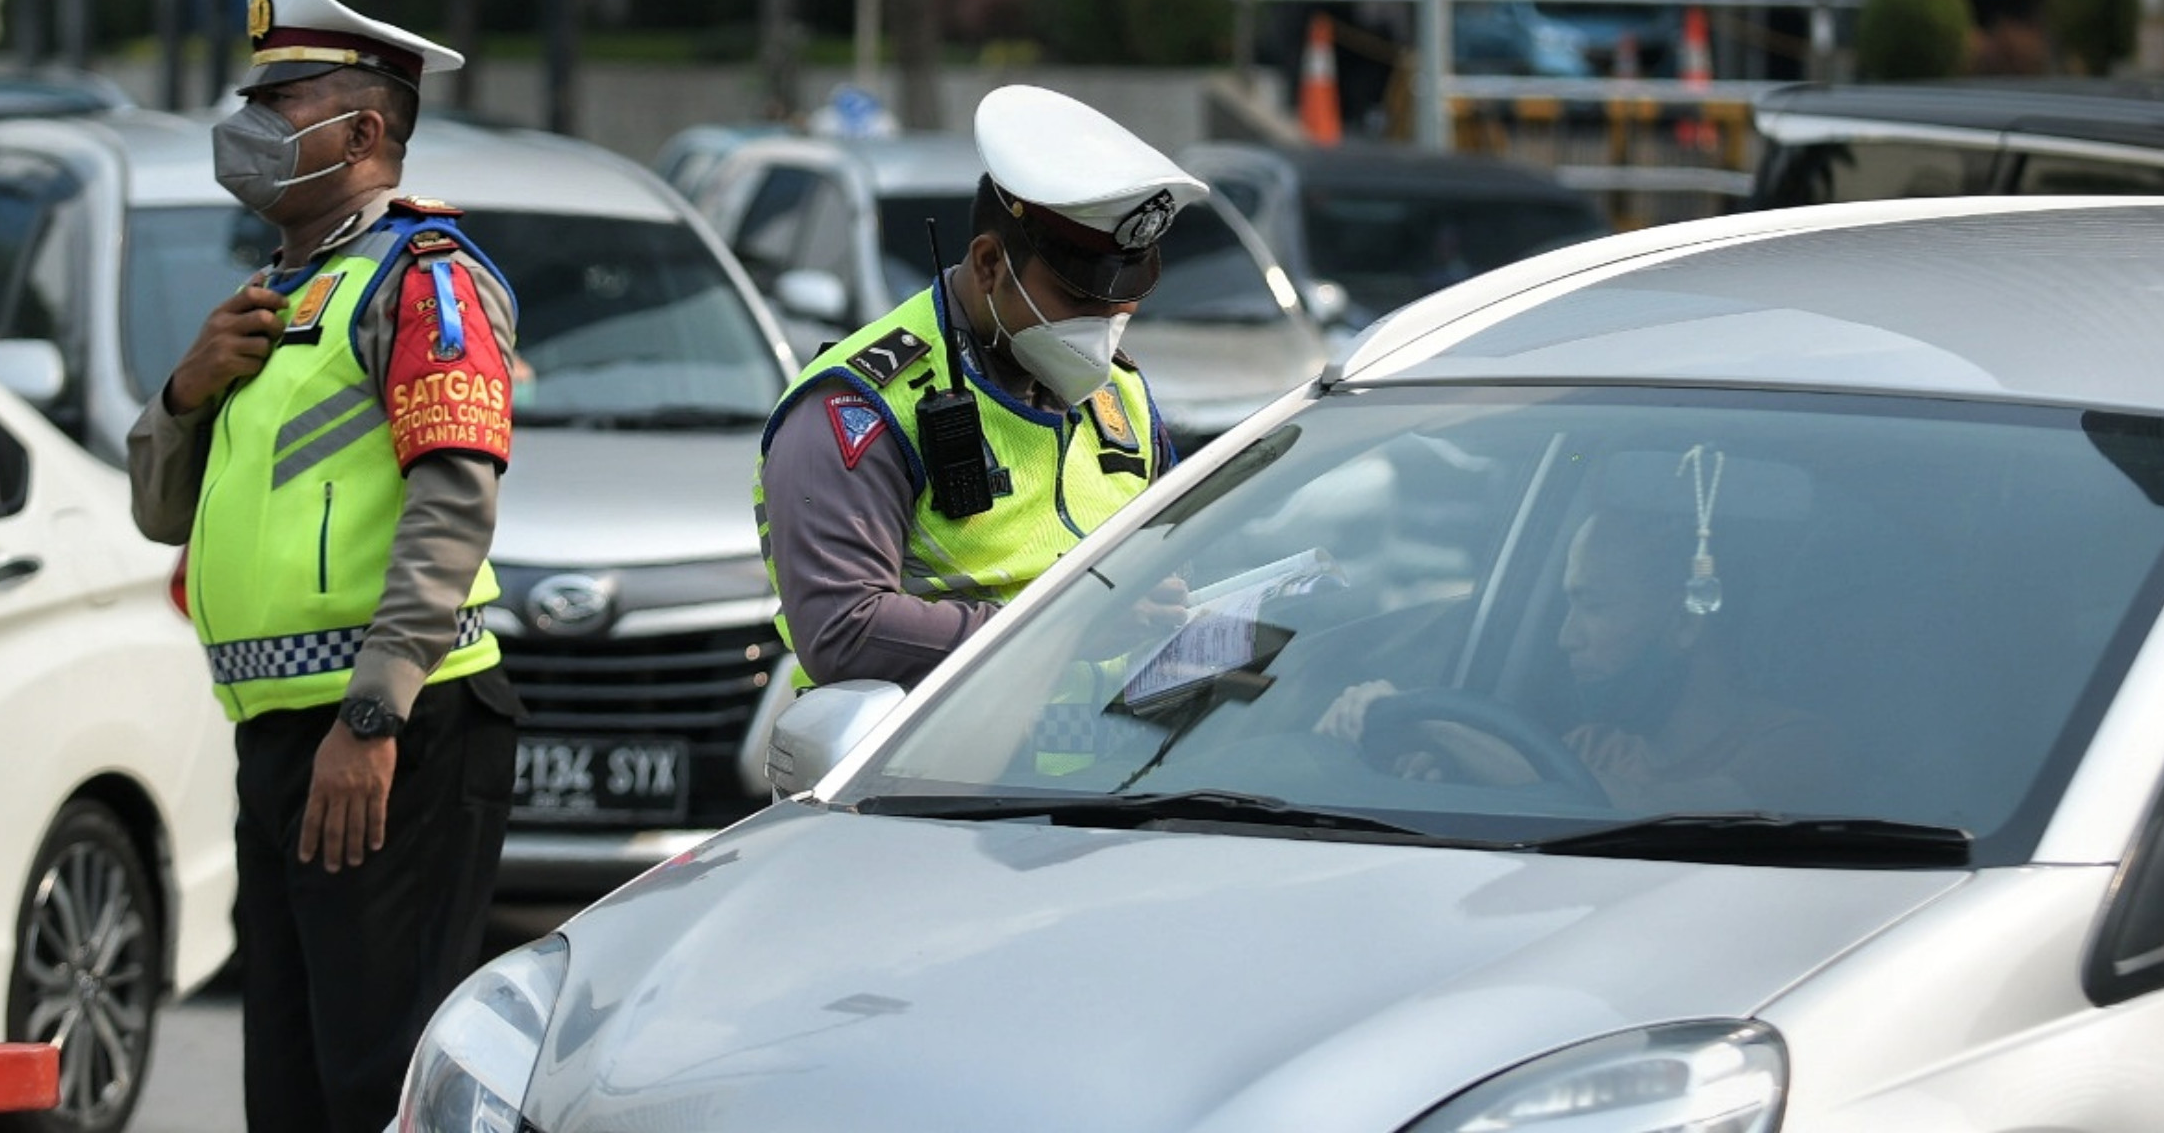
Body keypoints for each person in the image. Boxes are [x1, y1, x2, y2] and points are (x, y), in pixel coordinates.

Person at [126, 0, 525, 1133]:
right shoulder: (276, 294)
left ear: (361, 130)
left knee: (374, 1084)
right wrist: (185, 390)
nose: (251, 126)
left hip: (395, 733)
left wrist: (374, 715)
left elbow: (453, 500)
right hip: (287, 738)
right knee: (292, 1088)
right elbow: (164, 511)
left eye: (283, 101)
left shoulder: (425, 282)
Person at [754, 84, 1205, 690]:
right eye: (1078, 297)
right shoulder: (860, 405)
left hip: (1116, 777)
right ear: (990, 263)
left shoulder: (1117, 395)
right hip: (933, 782)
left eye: (1124, 299)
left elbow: (1169, 569)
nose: (1107, 322)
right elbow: (842, 631)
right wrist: (1066, 628)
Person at [1320, 506, 1833, 811]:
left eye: (1594, 605)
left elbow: (1644, 813)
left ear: (1684, 624)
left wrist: (1441, 725)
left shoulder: (1792, 749)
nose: (1566, 638)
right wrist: (1437, 774)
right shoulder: (1587, 747)